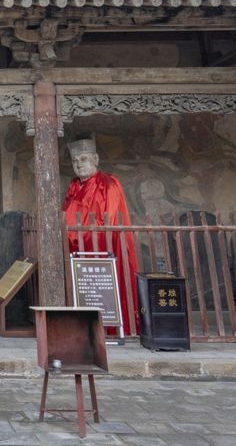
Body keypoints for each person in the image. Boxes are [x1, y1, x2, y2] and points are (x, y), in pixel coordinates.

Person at [63, 137, 139, 332]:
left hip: (101, 248)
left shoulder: (108, 185)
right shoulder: (74, 186)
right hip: (74, 248)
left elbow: (109, 222)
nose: (79, 164)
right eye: (75, 160)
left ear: (95, 159)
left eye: (84, 159)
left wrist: (76, 235)